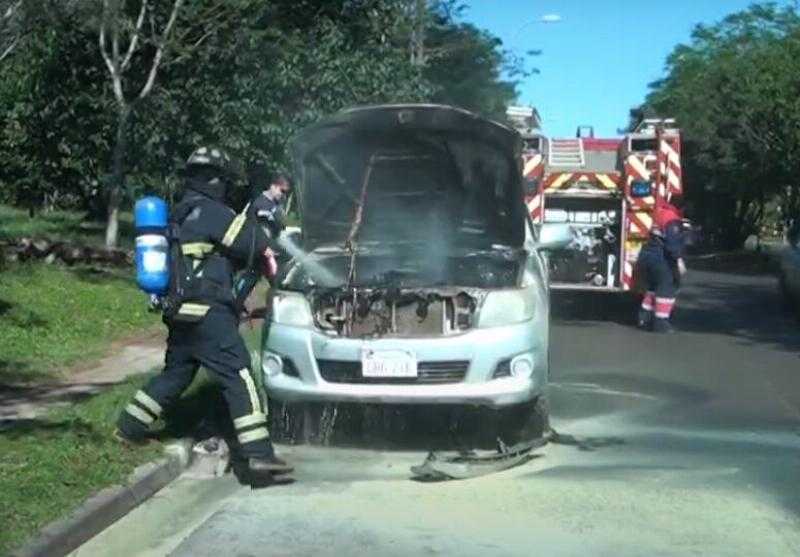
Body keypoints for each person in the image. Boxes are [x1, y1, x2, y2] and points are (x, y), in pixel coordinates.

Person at [116, 146, 292, 477]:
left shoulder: (179, 213)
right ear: (216, 180)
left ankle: (128, 426)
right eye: (225, 181)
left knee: (176, 375)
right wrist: (262, 223)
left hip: (180, 314)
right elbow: (251, 244)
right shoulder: (214, 212)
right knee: (239, 376)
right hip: (209, 315)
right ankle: (259, 453)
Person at [636, 200, 687, 333]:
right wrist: (679, 260)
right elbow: (672, 242)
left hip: (647, 255)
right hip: (660, 257)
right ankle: (661, 323)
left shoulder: (659, 213)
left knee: (652, 288)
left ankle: (643, 318)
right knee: (667, 287)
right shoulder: (671, 218)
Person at [248, 163, 292, 240]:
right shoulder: (259, 203)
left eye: (286, 192)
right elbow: (257, 229)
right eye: (282, 191)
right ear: (273, 186)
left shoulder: (277, 203)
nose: (283, 195)